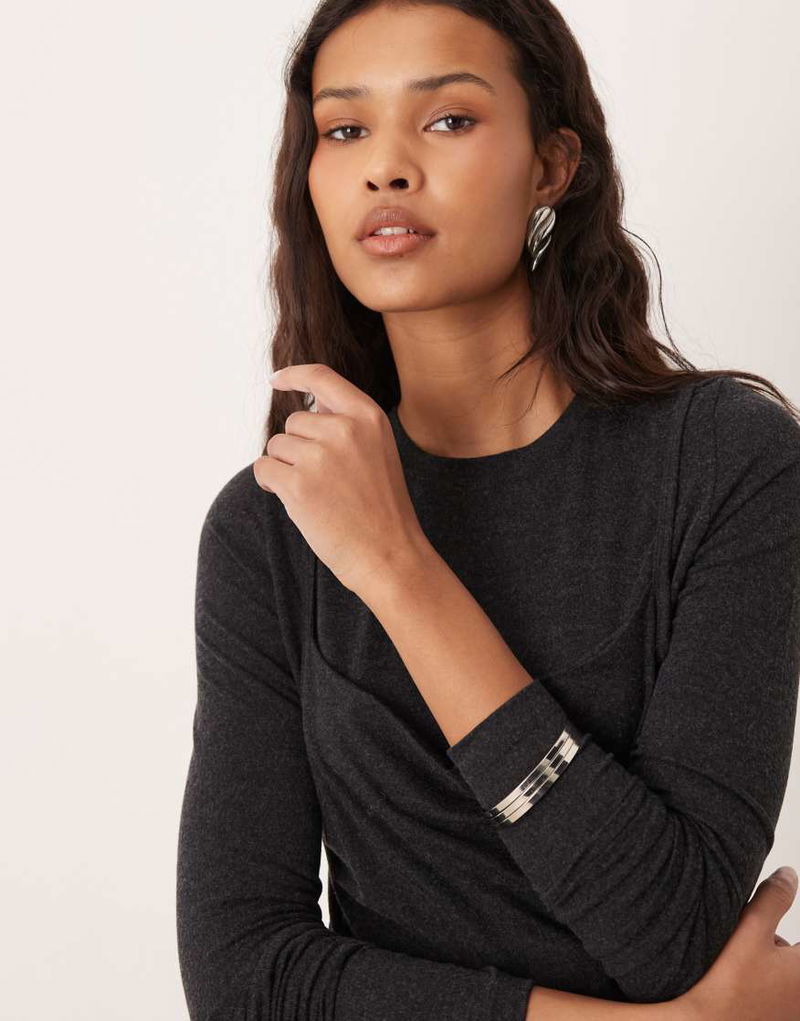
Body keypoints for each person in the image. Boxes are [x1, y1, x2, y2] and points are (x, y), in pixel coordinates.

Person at [176, 1, 800, 1018]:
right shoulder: (270, 526)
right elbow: (242, 977)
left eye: (448, 119)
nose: (386, 167)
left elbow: (667, 930)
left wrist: (399, 570)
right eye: (345, 128)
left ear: (552, 165)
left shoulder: (725, 460)